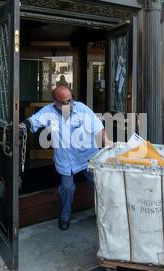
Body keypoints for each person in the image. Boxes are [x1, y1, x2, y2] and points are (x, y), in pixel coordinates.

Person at [20, 85, 113, 231]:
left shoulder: (81, 108)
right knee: (67, 188)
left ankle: (105, 215)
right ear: (55, 102)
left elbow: (97, 125)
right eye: (64, 102)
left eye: (70, 100)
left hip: (88, 156)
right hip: (66, 159)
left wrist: (106, 141)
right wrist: (22, 126)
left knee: (99, 184)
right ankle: (65, 217)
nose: (69, 104)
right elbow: (34, 120)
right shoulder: (48, 111)